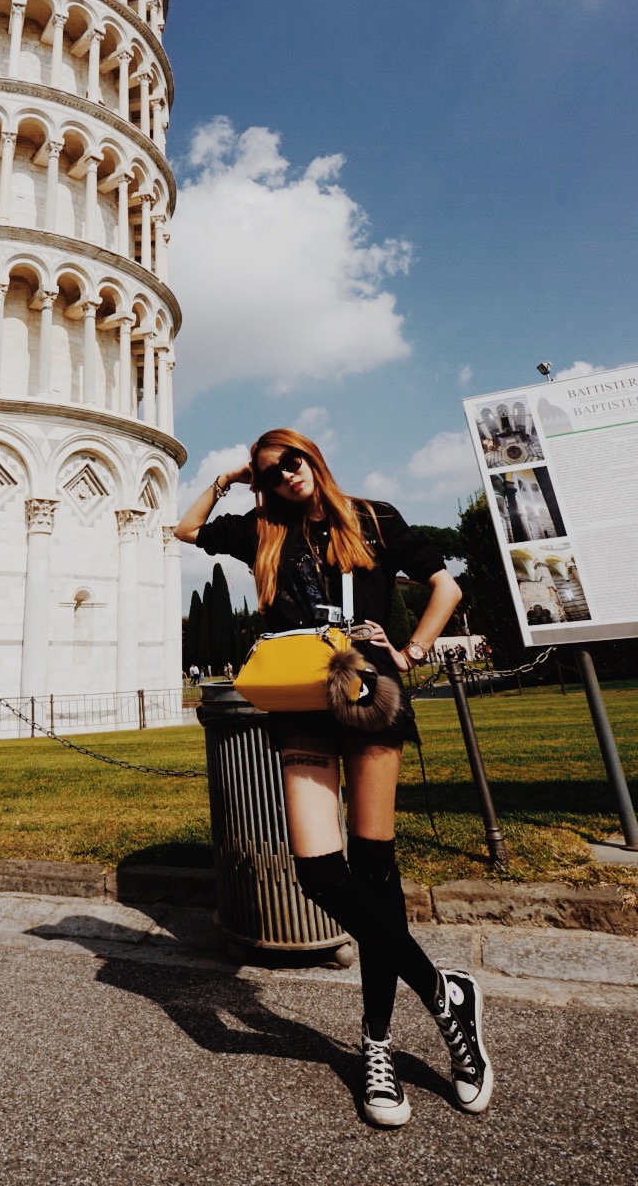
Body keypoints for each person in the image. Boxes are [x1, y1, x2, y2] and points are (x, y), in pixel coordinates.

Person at [175, 428, 491, 1128]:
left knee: (376, 873)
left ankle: (376, 1042)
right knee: (319, 873)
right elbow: (185, 528)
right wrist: (229, 481)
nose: (285, 477)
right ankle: (446, 995)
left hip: (370, 693)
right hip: (301, 707)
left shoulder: (374, 519)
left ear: (312, 458)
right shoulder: (262, 531)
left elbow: (446, 585)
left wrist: (411, 652)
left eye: (291, 461)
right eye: (271, 472)